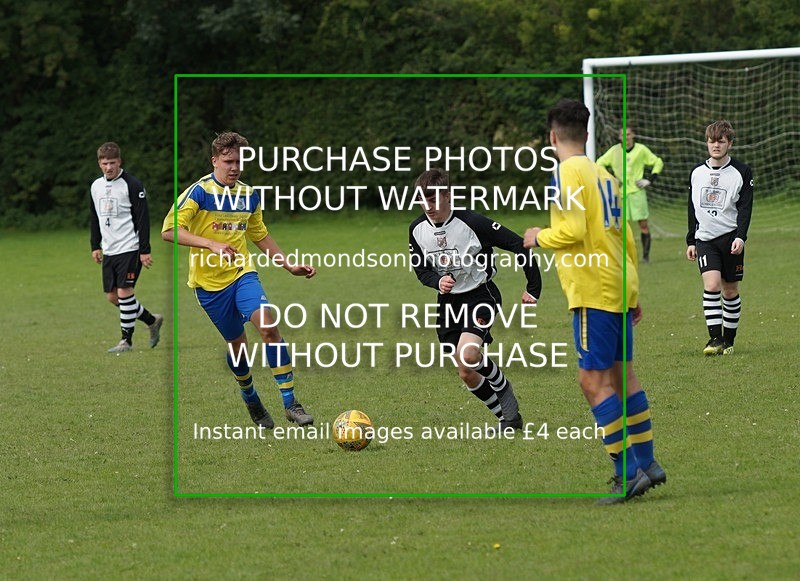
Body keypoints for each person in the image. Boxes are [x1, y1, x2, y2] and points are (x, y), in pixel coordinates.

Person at [523, 99, 665, 504]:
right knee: (624, 377)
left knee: (592, 382)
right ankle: (649, 463)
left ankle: (627, 474)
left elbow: (569, 230)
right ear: (586, 134)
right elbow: (626, 237)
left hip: (591, 290)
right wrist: (631, 289)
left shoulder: (565, 173)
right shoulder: (605, 174)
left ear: (552, 136)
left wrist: (537, 237)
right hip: (617, 284)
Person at [162, 132, 316, 428]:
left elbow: (259, 234)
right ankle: (251, 398)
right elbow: (169, 230)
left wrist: (288, 265)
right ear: (214, 161)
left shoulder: (248, 194)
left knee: (268, 325)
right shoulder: (199, 192)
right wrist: (211, 244)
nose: (234, 167)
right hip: (209, 286)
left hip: (243, 274)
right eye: (228, 161)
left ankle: (291, 404)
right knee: (238, 346)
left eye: (239, 161)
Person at [409, 168, 541, 432]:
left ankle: (504, 388)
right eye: (422, 200)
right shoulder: (417, 229)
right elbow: (421, 270)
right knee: (466, 372)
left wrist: (533, 287)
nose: (428, 206)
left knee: (469, 355)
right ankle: (508, 420)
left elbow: (518, 244)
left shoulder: (473, 222)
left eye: (433, 199)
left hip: (481, 295)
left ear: (448, 196)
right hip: (448, 305)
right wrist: (437, 282)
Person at [686, 120, 753, 356]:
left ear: (729, 144)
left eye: (721, 141)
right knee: (712, 285)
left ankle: (729, 340)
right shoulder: (697, 172)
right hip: (705, 239)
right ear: (706, 143)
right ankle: (714, 339)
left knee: (730, 290)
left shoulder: (742, 172)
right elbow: (691, 208)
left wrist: (741, 237)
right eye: (711, 141)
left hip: (730, 238)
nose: (715, 145)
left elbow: (745, 208)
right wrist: (691, 240)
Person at [90, 142, 163, 353]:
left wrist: (144, 250)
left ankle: (126, 341)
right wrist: (95, 245)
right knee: (112, 297)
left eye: (112, 163)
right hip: (110, 249)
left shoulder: (132, 184)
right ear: (99, 163)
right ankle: (151, 320)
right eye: (104, 163)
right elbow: (95, 217)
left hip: (130, 246)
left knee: (124, 292)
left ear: (119, 161)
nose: (108, 167)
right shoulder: (95, 186)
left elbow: (143, 219)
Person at [596, 126, 663, 262]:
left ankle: (645, 257)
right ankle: (624, 256)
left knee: (643, 224)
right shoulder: (614, 151)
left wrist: (649, 180)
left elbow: (657, 162)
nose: (626, 137)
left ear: (633, 135)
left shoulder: (641, 149)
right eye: (623, 135)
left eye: (628, 134)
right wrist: (611, 177)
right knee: (621, 226)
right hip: (620, 194)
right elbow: (599, 163)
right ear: (619, 137)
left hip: (637, 193)